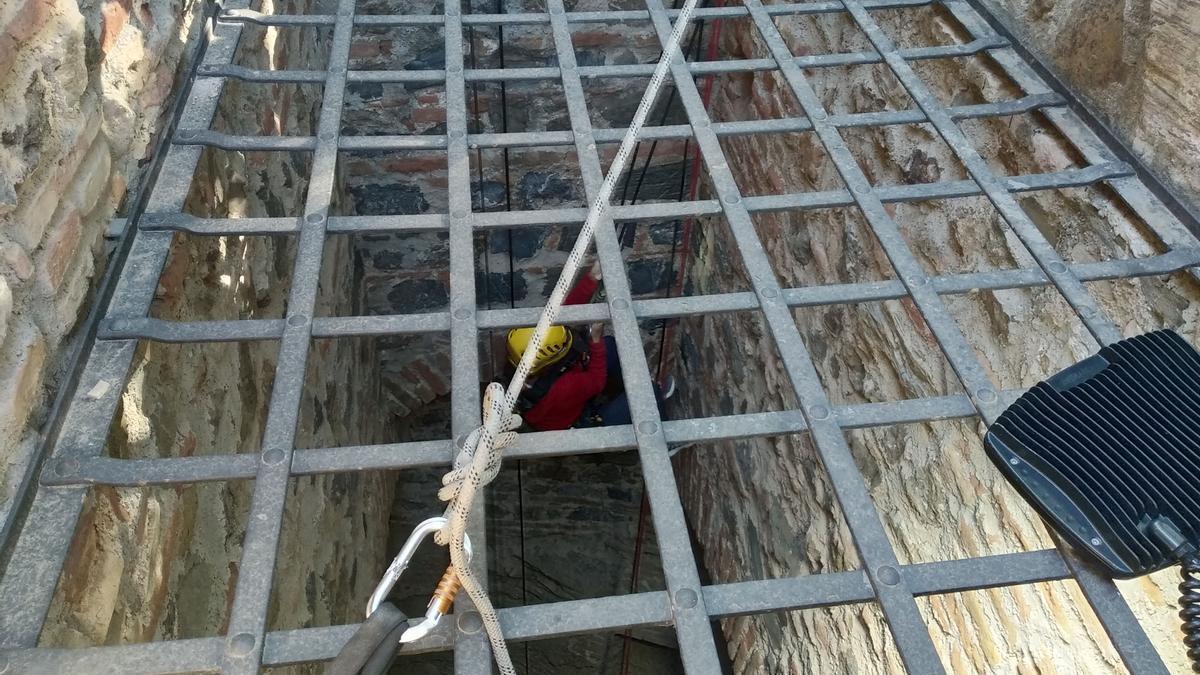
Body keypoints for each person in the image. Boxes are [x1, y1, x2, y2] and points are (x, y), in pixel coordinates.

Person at [506, 263, 673, 432]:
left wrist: (591, 278)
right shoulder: (564, 386)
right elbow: (597, 381)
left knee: (611, 347)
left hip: (561, 401)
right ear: (554, 355)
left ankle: (632, 392)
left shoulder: (524, 358)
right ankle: (665, 430)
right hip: (574, 424)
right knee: (648, 392)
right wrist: (595, 340)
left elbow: (567, 314)